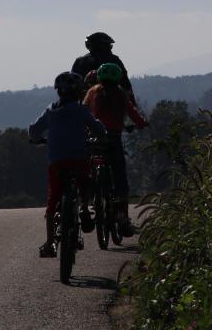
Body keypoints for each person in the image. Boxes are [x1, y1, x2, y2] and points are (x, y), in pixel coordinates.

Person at [29, 71, 107, 258]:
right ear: (79, 91)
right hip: (79, 158)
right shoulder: (80, 110)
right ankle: (85, 210)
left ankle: (49, 243)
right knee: (84, 183)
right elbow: (97, 127)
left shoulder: (51, 110)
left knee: (53, 200)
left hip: (57, 161)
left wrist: (38, 139)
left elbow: (33, 131)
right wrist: (102, 136)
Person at [82, 62, 148, 237]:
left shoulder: (93, 92)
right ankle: (123, 219)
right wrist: (142, 123)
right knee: (120, 179)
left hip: (94, 139)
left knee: (87, 168)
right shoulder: (121, 94)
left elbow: (83, 112)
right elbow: (134, 116)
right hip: (113, 139)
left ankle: (86, 202)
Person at [72, 32, 134, 97]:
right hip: (112, 101)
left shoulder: (80, 61)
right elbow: (126, 85)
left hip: (85, 101)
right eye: (108, 46)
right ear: (101, 46)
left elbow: (73, 85)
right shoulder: (114, 59)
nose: (110, 48)